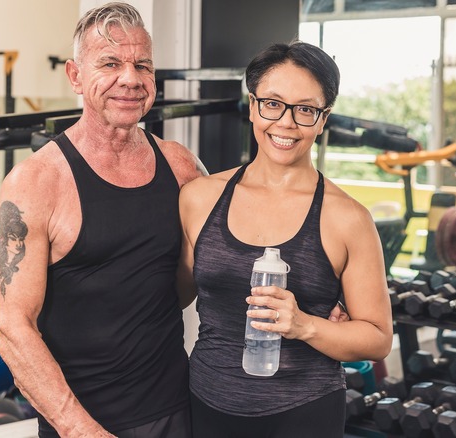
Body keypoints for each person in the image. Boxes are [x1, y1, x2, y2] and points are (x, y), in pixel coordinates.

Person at [0, 3, 204, 437]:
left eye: (142, 64)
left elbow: (212, 265)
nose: (130, 78)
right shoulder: (35, 183)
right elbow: (12, 328)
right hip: (81, 422)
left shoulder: (181, 167)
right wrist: (79, 429)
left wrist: (315, 299)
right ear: (75, 76)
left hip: (176, 408)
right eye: (110, 62)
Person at [176, 41, 394, 438]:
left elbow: (378, 338)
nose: (286, 123)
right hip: (205, 402)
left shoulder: (347, 219)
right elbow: (173, 295)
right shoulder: (200, 197)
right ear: (253, 104)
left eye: (305, 110)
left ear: (323, 118)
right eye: (273, 104)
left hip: (304, 412)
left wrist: (304, 325)